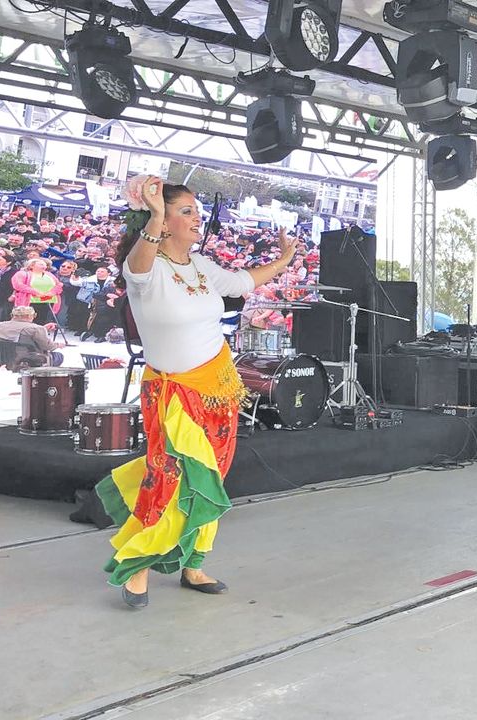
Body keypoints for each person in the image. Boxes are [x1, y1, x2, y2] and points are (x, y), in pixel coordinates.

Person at [93, 174, 296, 609]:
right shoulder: (144, 270)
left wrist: (284, 259)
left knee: (209, 478)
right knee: (165, 477)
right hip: (172, 393)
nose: (197, 218)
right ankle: (139, 565)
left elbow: (242, 283)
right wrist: (154, 215)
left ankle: (194, 562)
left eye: (196, 211)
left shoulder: (201, 266)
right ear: (162, 221)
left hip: (218, 387)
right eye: (186, 211)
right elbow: (138, 266)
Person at [0, 305, 64, 367]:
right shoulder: (36, 329)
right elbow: (48, 346)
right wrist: (58, 345)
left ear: (12, 315)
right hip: (24, 362)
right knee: (58, 356)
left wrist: (43, 329)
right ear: (29, 316)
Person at [11, 257, 62, 325]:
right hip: (30, 302)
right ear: (32, 265)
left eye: (45, 265)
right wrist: (35, 292)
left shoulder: (49, 275)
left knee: (43, 322)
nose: (44, 266)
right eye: (41, 264)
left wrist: (52, 292)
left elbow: (59, 285)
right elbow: (18, 285)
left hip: (48, 301)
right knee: (27, 322)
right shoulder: (22, 274)